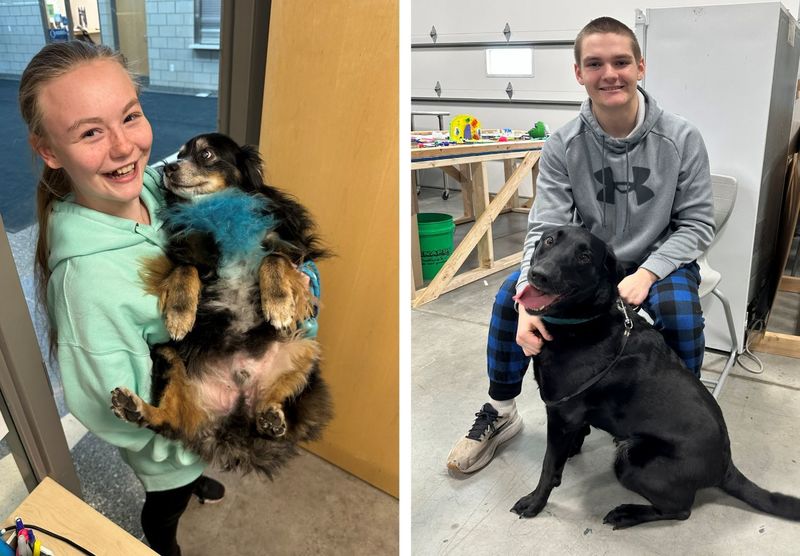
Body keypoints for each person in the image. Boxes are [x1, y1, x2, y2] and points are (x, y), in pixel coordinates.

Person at [447, 16, 716, 474]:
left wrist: (648, 272)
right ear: (579, 73)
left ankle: (678, 420)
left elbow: (697, 224)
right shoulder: (562, 144)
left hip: (659, 259)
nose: (609, 73)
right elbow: (544, 227)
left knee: (680, 314)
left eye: (620, 62)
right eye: (594, 63)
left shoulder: (682, 138)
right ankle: (501, 411)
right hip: (587, 264)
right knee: (508, 298)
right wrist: (528, 300)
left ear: (640, 67)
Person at [19, 41, 224, 556]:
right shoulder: (87, 285)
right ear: (48, 150)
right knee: (166, 503)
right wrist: (184, 437)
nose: (123, 147)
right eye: (90, 132)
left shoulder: (159, 187)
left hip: (213, 401)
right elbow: (107, 409)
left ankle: (198, 477)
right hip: (174, 444)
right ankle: (167, 536)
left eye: (130, 116)